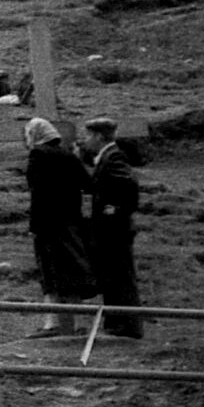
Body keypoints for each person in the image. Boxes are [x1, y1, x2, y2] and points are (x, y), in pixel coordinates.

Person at [22, 117, 95, 338]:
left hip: (48, 224)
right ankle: (80, 323)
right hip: (71, 222)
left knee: (50, 272)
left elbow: (38, 193)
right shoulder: (68, 155)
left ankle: (51, 323)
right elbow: (87, 184)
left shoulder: (38, 155)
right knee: (72, 270)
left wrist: (34, 224)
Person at [80, 116, 143, 339]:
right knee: (113, 277)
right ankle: (117, 321)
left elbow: (128, 187)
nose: (85, 140)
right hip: (112, 229)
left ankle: (127, 324)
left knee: (120, 277)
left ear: (98, 136)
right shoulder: (106, 156)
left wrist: (112, 210)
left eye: (88, 135)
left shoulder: (113, 157)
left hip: (115, 230)